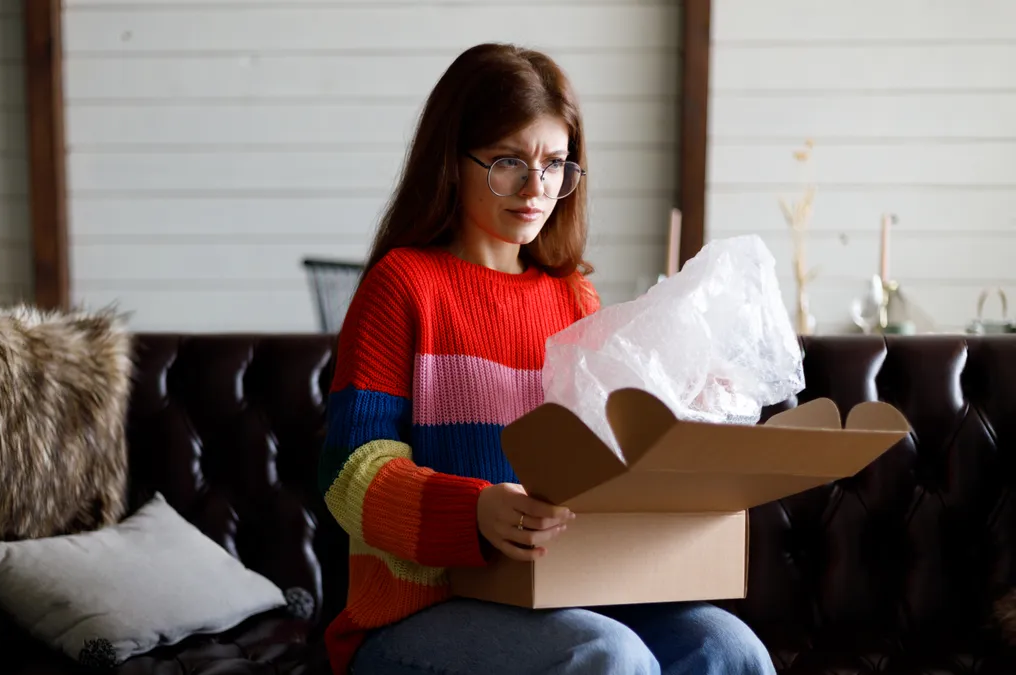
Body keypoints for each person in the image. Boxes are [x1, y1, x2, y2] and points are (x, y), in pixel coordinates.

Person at [317, 42, 776, 675]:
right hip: (419, 611)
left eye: (557, 163)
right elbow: (350, 473)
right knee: (606, 655)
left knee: (730, 649)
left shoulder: (572, 295)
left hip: (564, 590)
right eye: (509, 161)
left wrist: (684, 413)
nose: (537, 188)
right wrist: (473, 510)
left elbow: (602, 450)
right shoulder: (402, 286)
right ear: (452, 159)